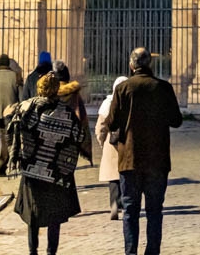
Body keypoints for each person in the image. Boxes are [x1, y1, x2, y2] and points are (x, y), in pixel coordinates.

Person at [106, 46, 183, 255]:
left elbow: (111, 122)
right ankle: (152, 252)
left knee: (130, 211)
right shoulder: (164, 88)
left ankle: (130, 252)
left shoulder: (123, 89)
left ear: (131, 66)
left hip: (129, 159)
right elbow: (176, 120)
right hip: (157, 160)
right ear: (149, 64)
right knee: (154, 210)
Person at [12, 71, 84, 255]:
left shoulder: (27, 108)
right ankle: (51, 252)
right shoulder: (67, 113)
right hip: (56, 173)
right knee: (54, 216)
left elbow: (14, 128)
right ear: (56, 89)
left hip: (32, 170)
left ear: (39, 88)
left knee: (32, 214)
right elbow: (78, 137)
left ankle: (32, 250)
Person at [95, 76, 127, 222]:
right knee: (126, 174)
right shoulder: (131, 101)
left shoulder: (107, 103)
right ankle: (126, 203)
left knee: (113, 177)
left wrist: (101, 141)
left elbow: (101, 126)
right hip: (127, 142)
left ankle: (114, 203)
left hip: (111, 143)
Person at [53, 62, 92, 164]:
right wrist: (85, 144)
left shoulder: (48, 94)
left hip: (50, 137)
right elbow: (83, 120)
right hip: (70, 138)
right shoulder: (75, 95)